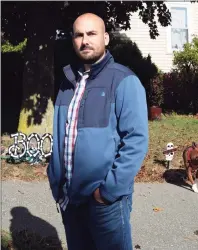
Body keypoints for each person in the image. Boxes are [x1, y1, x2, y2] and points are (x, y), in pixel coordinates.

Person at [47, 13, 149, 250]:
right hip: (70, 199)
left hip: (104, 203)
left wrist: (108, 191)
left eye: (91, 34)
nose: (85, 41)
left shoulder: (124, 80)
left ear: (105, 38)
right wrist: (56, 181)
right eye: (79, 35)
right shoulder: (67, 82)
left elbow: (136, 140)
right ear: (72, 39)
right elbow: (62, 135)